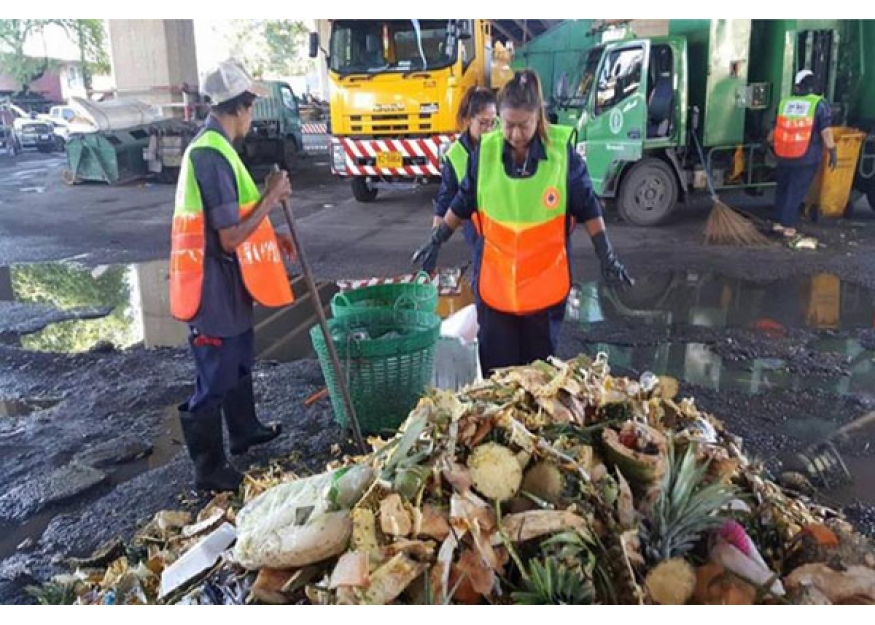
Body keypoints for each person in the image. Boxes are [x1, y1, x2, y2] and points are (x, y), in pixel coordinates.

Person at [413, 69, 633, 376]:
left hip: (543, 289)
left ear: (538, 117)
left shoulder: (561, 156)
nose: (515, 134)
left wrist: (606, 255)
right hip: (496, 285)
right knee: (498, 374)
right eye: (508, 125)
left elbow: (588, 207)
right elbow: (463, 201)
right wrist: (436, 239)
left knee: (538, 376)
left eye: (524, 125)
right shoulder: (485, 153)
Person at [169, 58, 298, 492]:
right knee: (217, 372)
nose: (251, 116)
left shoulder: (221, 149)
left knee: (240, 356)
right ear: (240, 106)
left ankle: (244, 432)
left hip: (230, 282)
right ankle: (208, 469)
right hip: (210, 285)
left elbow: (240, 222)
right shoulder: (211, 155)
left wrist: (272, 242)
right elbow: (227, 238)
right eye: (250, 106)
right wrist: (272, 195)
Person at [427, 86, 497, 275]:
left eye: (493, 123)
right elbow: (445, 202)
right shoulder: (456, 156)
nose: (489, 129)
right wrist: (435, 241)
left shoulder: (502, 145)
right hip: (477, 234)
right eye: (483, 123)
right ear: (469, 119)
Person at [770, 69, 836, 238]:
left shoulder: (785, 103)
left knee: (783, 188)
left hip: (783, 154)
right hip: (806, 156)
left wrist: (767, 144)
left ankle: (777, 222)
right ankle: (788, 226)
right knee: (796, 191)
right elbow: (826, 132)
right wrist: (832, 151)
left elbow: (774, 130)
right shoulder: (819, 104)